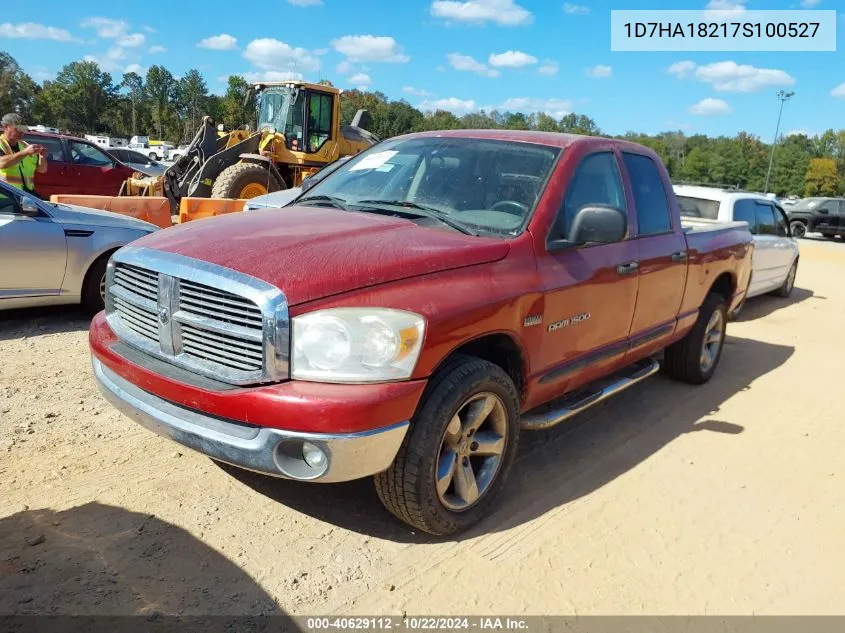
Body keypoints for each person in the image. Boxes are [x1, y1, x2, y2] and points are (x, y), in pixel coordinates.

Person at [0, 113, 48, 198]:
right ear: (6, 127)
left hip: (26, 195)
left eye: (23, 129)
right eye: (18, 129)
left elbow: (42, 170)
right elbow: (1, 163)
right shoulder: (1, 144)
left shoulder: (25, 145)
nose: (22, 132)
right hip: (5, 197)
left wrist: (42, 156)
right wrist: (24, 153)